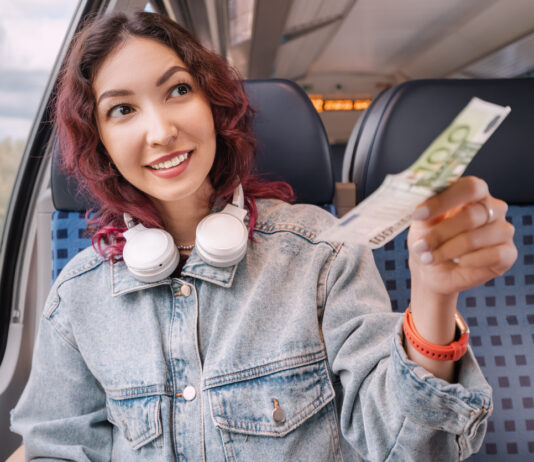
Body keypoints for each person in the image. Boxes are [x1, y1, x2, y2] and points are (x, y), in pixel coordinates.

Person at [10, 11, 517, 462]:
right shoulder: (76, 298)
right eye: (122, 110)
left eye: (178, 90)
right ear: (100, 142)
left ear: (213, 103)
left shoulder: (323, 253)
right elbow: (56, 448)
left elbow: (407, 449)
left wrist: (432, 295)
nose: (161, 131)